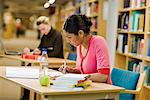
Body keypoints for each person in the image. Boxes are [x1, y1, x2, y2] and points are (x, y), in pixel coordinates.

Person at [59, 15, 111, 84]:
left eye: (69, 37)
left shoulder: (99, 42)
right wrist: (72, 71)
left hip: (101, 90)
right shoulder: (79, 46)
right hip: (87, 86)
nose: (68, 41)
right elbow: (82, 72)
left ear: (80, 33)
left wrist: (82, 77)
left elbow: (103, 76)